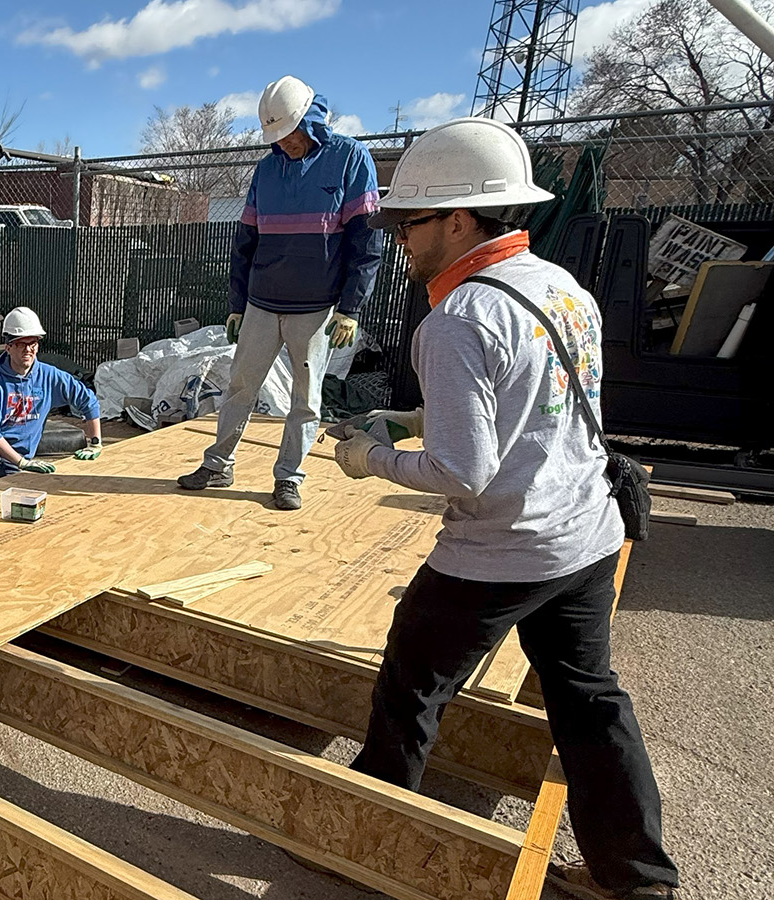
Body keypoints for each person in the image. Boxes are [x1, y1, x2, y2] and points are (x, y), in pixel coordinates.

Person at [329, 117, 678, 900]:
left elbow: (465, 471)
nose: (400, 239)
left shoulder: (456, 321)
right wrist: (416, 419)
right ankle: (638, 878)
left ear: (459, 219)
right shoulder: (563, 288)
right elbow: (541, 405)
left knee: (410, 685)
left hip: (502, 550)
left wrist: (369, 457)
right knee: (590, 702)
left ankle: (365, 841)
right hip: (586, 538)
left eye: (410, 222)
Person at [176, 75, 383, 510]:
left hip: (316, 306)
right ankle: (218, 464)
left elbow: (366, 242)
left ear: (310, 122)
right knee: (240, 386)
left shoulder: (350, 159)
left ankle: (288, 476)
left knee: (305, 399)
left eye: (290, 134)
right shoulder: (267, 169)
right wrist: (236, 305)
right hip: (261, 302)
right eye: (278, 136)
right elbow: (245, 240)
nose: (284, 143)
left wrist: (350, 308)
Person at [0, 306, 103, 487]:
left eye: (32, 343)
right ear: (8, 347)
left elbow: (87, 399)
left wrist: (96, 443)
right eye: (21, 344)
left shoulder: (49, 376)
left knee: (13, 498)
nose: (28, 349)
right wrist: (22, 463)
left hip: (19, 455)